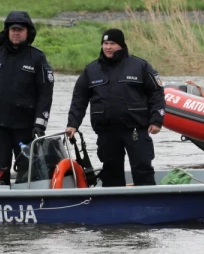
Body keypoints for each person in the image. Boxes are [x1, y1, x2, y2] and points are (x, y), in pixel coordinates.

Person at [65, 28, 166, 187]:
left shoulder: (140, 66)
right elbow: (79, 99)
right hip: (107, 131)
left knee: (142, 168)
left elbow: (157, 93)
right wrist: (73, 124)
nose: (108, 47)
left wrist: (156, 120)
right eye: (105, 43)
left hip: (135, 130)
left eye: (112, 43)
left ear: (122, 45)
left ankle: (148, 204)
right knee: (111, 171)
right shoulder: (91, 70)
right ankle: (113, 207)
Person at [0, 11, 55, 184]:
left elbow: (45, 93)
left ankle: (26, 206)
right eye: (13, 29)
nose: (16, 33)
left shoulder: (37, 57)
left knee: (27, 172)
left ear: (28, 32)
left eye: (20, 29)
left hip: (25, 127)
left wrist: (40, 124)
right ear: (7, 31)